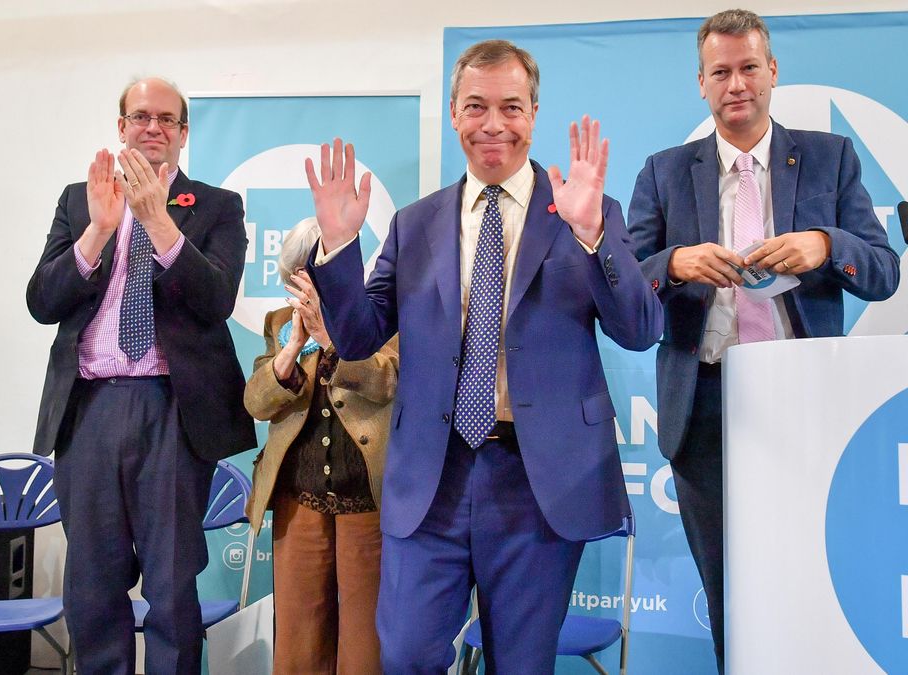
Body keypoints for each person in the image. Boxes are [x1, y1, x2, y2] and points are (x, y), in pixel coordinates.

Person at [306, 40, 663, 673]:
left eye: (511, 107)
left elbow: (638, 328)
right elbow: (359, 337)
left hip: (538, 481)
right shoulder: (415, 224)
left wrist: (591, 237)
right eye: (476, 106)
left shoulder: (585, 212)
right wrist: (338, 248)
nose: (493, 124)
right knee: (408, 654)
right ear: (453, 114)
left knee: (521, 664)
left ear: (533, 113)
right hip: (431, 478)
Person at [627, 9, 900, 671]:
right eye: (721, 71)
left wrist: (826, 245)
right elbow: (625, 287)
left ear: (772, 71)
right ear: (701, 83)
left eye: (749, 67)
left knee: (808, 577)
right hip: (706, 409)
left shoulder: (831, 158)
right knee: (729, 590)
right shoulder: (663, 172)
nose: (737, 83)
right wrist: (676, 264)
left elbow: (884, 270)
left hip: (809, 408)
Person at [26, 76, 255, 674]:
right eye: (140, 117)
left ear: (182, 134)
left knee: (173, 585)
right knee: (93, 586)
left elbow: (216, 300)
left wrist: (159, 223)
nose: (152, 127)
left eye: (166, 119)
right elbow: (41, 301)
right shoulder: (80, 200)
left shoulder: (217, 206)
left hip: (174, 412)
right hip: (90, 409)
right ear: (121, 126)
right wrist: (99, 230)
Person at [244, 217, 398, 674]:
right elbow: (256, 400)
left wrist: (335, 339)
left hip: (366, 498)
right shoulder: (278, 324)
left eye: (313, 273)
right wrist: (293, 349)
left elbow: (388, 380)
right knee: (298, 637)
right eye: (297, 279)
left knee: (364, 642)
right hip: (300, 498)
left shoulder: (380, 315)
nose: (306, 288)